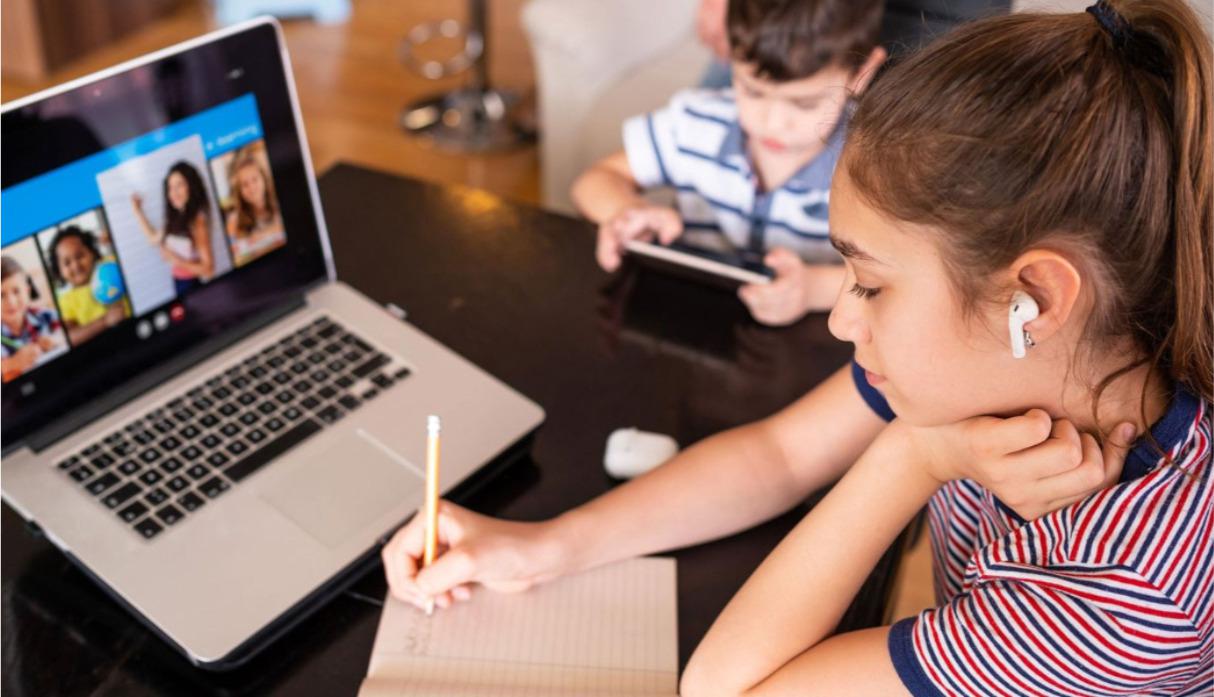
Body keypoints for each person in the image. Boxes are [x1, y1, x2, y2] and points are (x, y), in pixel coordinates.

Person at [678, 1, 1212, 693]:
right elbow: (780, 453)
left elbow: (722, 688)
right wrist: (549, 546)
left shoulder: (1124, 596)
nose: (843, 318)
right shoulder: (1018, 364)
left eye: (869, 283)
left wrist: (914, 456)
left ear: (1035, 300)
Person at [571, 0, 886, 326]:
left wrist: (813, 289)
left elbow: (897, 276)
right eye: (753, 91)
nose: (773, 122)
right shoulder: (697, 122)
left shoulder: (873, 165)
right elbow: (595, 180)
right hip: (689, 323)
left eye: (804, 104)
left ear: (861, 72)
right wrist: (626, 211)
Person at [132, 160, 216, 295]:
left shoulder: (197, 221)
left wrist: (175, 260)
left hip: (191, 284)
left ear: (191, 186)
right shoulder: (174, 218)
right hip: (178, 281)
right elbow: (153, 239)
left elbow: (209, 269)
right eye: (170, 187)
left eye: (179, 185)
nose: (174, 193)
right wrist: (137, 210)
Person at [48, 226, 128, 346]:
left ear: (92, 253)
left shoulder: (109, 263)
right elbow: (69, 337)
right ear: (59, 271)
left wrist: (114, 237)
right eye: (67, 263)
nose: (75, 265)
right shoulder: (66, 300)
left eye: (80, 256)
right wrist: (105, 321)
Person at [1, 255, 64, 380]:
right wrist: (13, 362)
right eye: (1, 295)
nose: (11, 302)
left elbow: (67, 330)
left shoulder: (45, 315)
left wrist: (56, 339)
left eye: (16, 291)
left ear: (27, 291)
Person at [224, 145, 285, 266]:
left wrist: (264, 235)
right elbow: (234, 257)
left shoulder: (279, 204)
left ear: (263, 179)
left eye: (255, 179)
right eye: (245, 184)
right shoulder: (233, 221)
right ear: (239, 191)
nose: (251, 188)